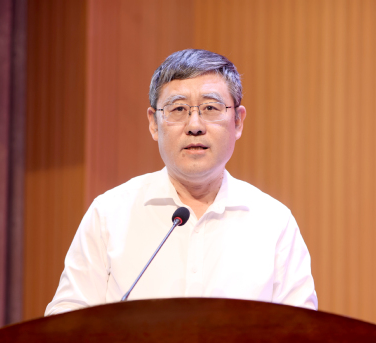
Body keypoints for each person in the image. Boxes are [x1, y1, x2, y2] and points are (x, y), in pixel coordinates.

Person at [45, 49, 317, 315]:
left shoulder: (274, 222)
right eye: (178, 109)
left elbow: (302, 333)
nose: (194, 125)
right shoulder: (109, 214)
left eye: (210, 108)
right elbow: (65, 320)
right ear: (154, 123)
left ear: (237, 121)